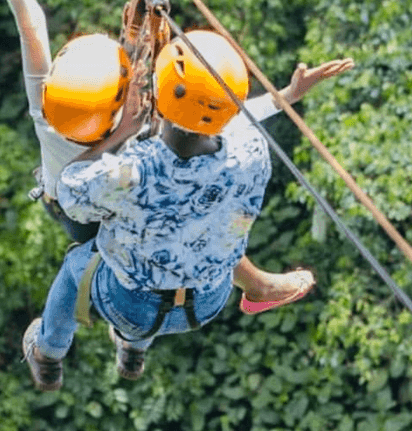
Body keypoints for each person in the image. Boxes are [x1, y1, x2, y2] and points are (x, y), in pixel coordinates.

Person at [0, 0, 353, 242]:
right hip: (82, 215)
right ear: (115, 108)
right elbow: (220, 122)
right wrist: (286, 97)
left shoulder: (50, 110)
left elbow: (31, 29)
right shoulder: (136, 132)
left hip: (68, 197)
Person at [21, 30, 352, 391]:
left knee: (79, 262)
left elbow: (68, 189)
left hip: (132, 309)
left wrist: (124, 131)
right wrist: (288, 96)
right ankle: (133, 351)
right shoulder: (251, 153)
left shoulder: (132, 172)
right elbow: (235, 120)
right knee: (187, 237)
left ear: (159, 94)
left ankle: (47, 353)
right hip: (207, 302)